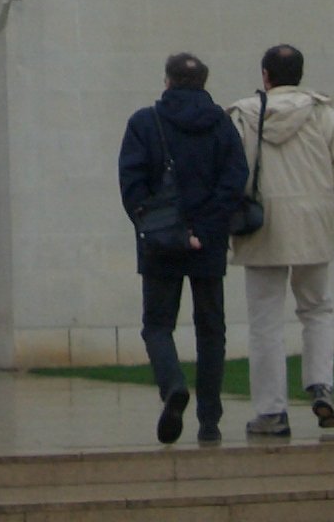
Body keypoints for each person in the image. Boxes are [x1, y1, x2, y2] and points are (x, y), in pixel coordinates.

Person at [228, 43, 334, 438]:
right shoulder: (323, 114)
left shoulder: (242, 115)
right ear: (300, 75)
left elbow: (231, 174)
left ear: (265, 76)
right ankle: (321, 385)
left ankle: (272, 411)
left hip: (262, 227)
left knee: (265, 323)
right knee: (317, 310)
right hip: (313, 223)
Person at [118, 51, 247, 445]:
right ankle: (210, 419)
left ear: (168, 81)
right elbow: (234, 179)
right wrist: (205, 230)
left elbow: (132, 183)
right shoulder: (222, 124)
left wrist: (157, 225)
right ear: (203, 83)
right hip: (208, 243)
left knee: (157, 326)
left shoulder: (145, 122)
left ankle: (173, 385)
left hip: (161, 240)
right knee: (212, 330)